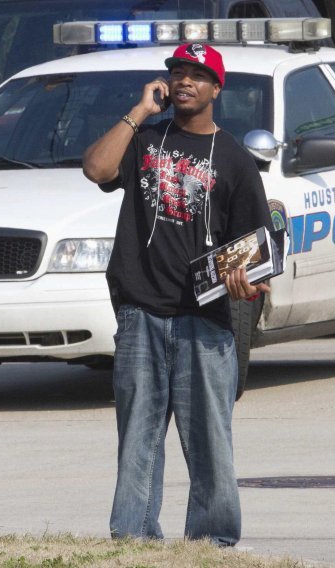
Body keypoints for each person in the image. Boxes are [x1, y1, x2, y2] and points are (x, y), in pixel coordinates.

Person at [82, 43, 272, 546]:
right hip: (141, 312)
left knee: (209, 441)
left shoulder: (234, 160)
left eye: (197, 75)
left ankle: (212, 542)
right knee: (139, 437)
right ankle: (134, 536)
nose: (185, 81)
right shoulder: (145, 140)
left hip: (204, 321)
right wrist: (139, 110)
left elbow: (254, 252)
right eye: (178, 73)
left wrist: (242, 280)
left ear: (216, 89)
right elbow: (97, 170)